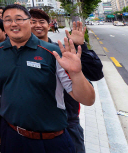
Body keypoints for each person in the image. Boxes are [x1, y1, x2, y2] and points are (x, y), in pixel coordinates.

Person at [0, 4, 95, 153]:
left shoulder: (53, 52)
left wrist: (76, 73)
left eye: (19, 19)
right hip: (11, 136)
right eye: (8, 20)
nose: (14, 24)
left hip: (52, 140)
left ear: (29, 22)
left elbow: (88, 100)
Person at [30, 9, 103, 153]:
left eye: (41, 21)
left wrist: (80, 46)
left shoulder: (63, 51)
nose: (37, 25)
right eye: (33, 22)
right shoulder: (22, 55)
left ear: (49, 24)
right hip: (34, 123)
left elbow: (96, 74)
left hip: (67, 121)